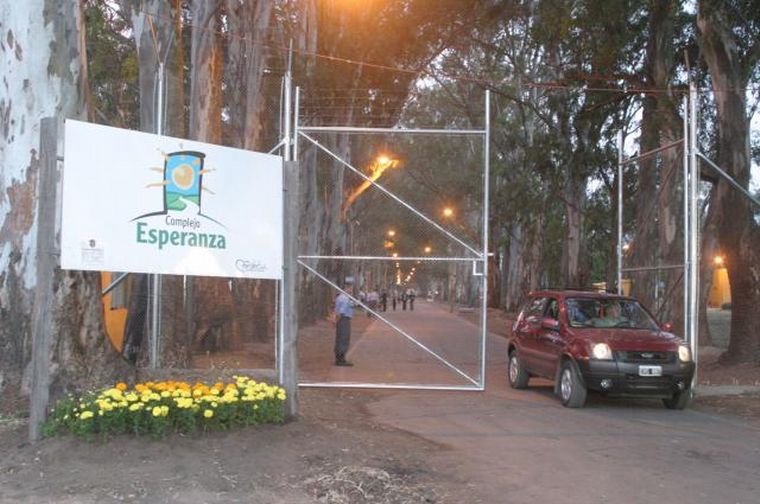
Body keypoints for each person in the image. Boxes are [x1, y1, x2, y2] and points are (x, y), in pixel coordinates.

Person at [334, 283, 354, 366]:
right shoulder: (345, 298)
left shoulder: (339, 297)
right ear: (346, 288)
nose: (351, 290)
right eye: (350, 289)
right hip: (344, 319)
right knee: (344, 338)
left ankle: (338, 358)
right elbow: (342, 311)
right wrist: (337, 320)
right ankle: (341, 359)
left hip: (341, 319)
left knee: (339, 337)